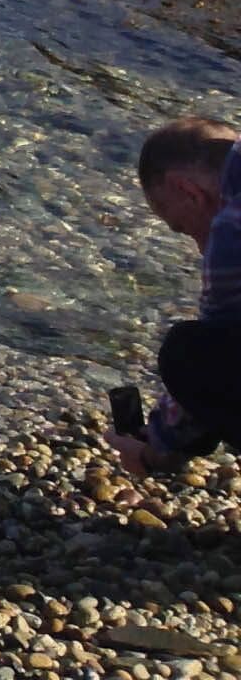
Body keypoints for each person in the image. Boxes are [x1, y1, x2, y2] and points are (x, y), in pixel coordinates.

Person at [118, 116, 241, 476]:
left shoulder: (232, 228)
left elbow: (223, 357)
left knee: (188, 353)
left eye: (185, 229)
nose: (201, 248)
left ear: (188, 191)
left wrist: (154, 449)